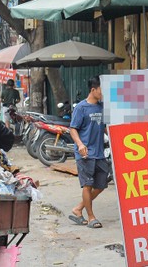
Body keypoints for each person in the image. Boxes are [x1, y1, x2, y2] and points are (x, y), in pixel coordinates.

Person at [68, 77, 108, 229]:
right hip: (85, 153)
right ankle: (91, 217)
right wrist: (79, 144)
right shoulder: (81, 108)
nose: (103, 93)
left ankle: (78, 208)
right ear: (93, 90)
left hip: (99, 153)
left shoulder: (102, 107)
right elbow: (73, 128)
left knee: (101, 184)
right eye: (101, 90)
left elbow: (104, 127)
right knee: (88, 185)